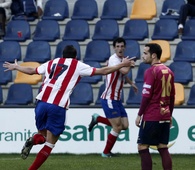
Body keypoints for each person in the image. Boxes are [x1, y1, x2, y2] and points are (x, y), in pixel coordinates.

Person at [3, 45, 135, 170]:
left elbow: (32, 71)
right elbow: (103, 71)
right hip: (57, 105)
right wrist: (122, 64)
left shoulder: (52, 62)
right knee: (50, 144)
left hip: (41, 102)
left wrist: (16, 67)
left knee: (42, 136)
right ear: (75, 56)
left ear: (63, 55)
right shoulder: (77, 65)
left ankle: (32, 140)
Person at [88, 37, 138, 158]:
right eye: (118, 46)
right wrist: (130, 65)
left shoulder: (122, 60)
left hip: (117, 99)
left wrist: (131, 83)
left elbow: (122, 74)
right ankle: (106, 152)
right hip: (109, 98)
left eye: (122, 46)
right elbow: (124, 70)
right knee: (117, 126)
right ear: (114, 48)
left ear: (124, 47)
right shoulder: (114, 59)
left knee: (125, 126)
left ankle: (98, 119)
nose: (120, 49)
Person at [135, 43, 175, 170]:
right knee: (162, 146)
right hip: (165, 114)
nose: (143, 56)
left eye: (145, 53)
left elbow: (146, 96)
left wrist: (139, 114)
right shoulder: (169, 71)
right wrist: (170, 115)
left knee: (142, 146)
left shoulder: (150, 71)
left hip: (152, 115)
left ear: (153, 55)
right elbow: (172, 96)